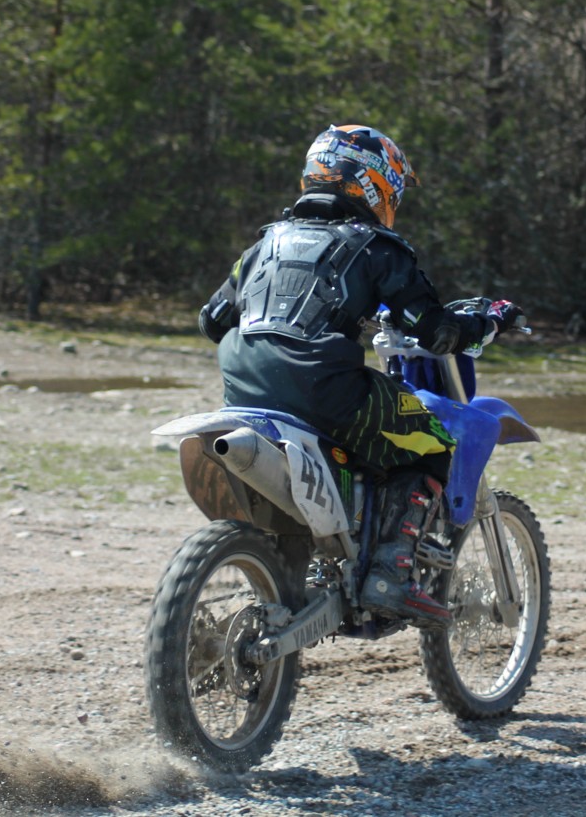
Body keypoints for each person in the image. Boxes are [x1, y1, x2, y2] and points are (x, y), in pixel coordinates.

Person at [196, 124, 524, 629]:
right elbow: (436, 331)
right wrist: (490, 321)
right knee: (434, 438)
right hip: (325, 390)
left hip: (241, 387)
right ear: (373, 184)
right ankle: (391, 574)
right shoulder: (377, 248)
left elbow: (212, 321)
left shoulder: (263, 245)